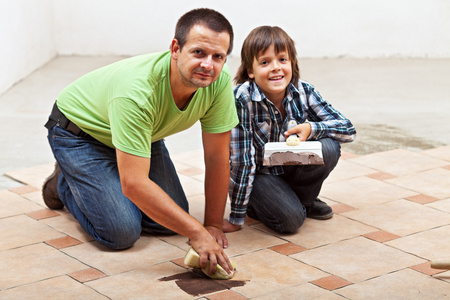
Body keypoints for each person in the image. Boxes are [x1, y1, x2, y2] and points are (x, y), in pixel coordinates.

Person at [42, 8, 237, 275]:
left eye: (218, 57)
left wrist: (212, 224)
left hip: (142, 135)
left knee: (171, 220)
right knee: (121, 232)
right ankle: (63, 184)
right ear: (175, 48)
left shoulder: (218, 84)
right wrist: (197, 233)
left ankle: (110, 176)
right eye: (198, 52)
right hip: (79, 133)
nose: (208, 65)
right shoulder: (137, 92)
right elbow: (133, 184)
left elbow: (217, 158)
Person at [223, 26, 356, 234]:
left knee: (329, 147)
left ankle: (304, 200)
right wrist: (237, 216)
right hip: (260, 174)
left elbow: (347, 129)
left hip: (288, 165)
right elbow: (242, 162)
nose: (276, 68)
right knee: (291, 223)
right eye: (265, 62)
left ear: (292, 63)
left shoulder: (303, 90)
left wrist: (311, 128)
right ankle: (262, 205)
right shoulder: (242, 99)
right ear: (250, 70)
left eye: (282, 60)